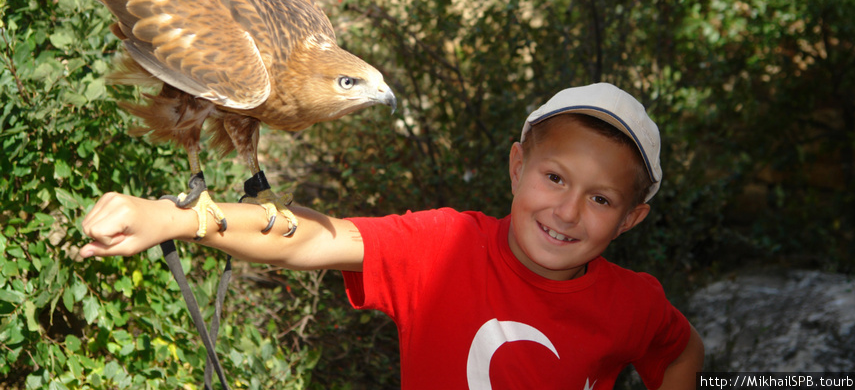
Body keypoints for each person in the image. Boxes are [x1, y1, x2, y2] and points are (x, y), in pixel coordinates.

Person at [80, 82, 705, 389]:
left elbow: (680, 352)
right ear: (517, 166)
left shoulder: (633, 302)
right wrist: (182, 218)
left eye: (600, 199)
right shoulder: (443, 247)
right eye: (553, 177)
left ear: (630, 219)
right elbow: (310, 239)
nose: (567, 212)